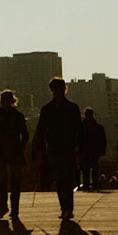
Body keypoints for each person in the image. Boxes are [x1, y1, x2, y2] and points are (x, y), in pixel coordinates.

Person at [31, 77, 83, 224]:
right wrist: (38, 150)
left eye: (58, 88)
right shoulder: (47, 109)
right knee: (60, 179)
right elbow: (40, 131)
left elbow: (79, 131)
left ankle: (68, 208)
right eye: (53, 89)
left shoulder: (72, 108)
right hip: (54, 149)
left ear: (63, 89)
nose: (56, 91)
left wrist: (79, 150)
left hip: (68, 147)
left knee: (67, 178)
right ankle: (64, 208)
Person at [0, 90, 29, 224]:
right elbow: (25, 135)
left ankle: (8, 209)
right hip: (9, 152)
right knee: (7, 182)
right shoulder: (16, 115)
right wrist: (21, 147)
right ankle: (7, 209)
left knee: (8, 182)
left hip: (7, 152)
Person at [77, 107, 107, 193]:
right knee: (93, 169)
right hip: (93, 151)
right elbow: (103, 140)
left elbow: (78, 140)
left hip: (86, 151)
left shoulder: (81, 128)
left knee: (87, 170)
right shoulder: (98, 127)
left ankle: (87, 185)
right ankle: (94, 185)